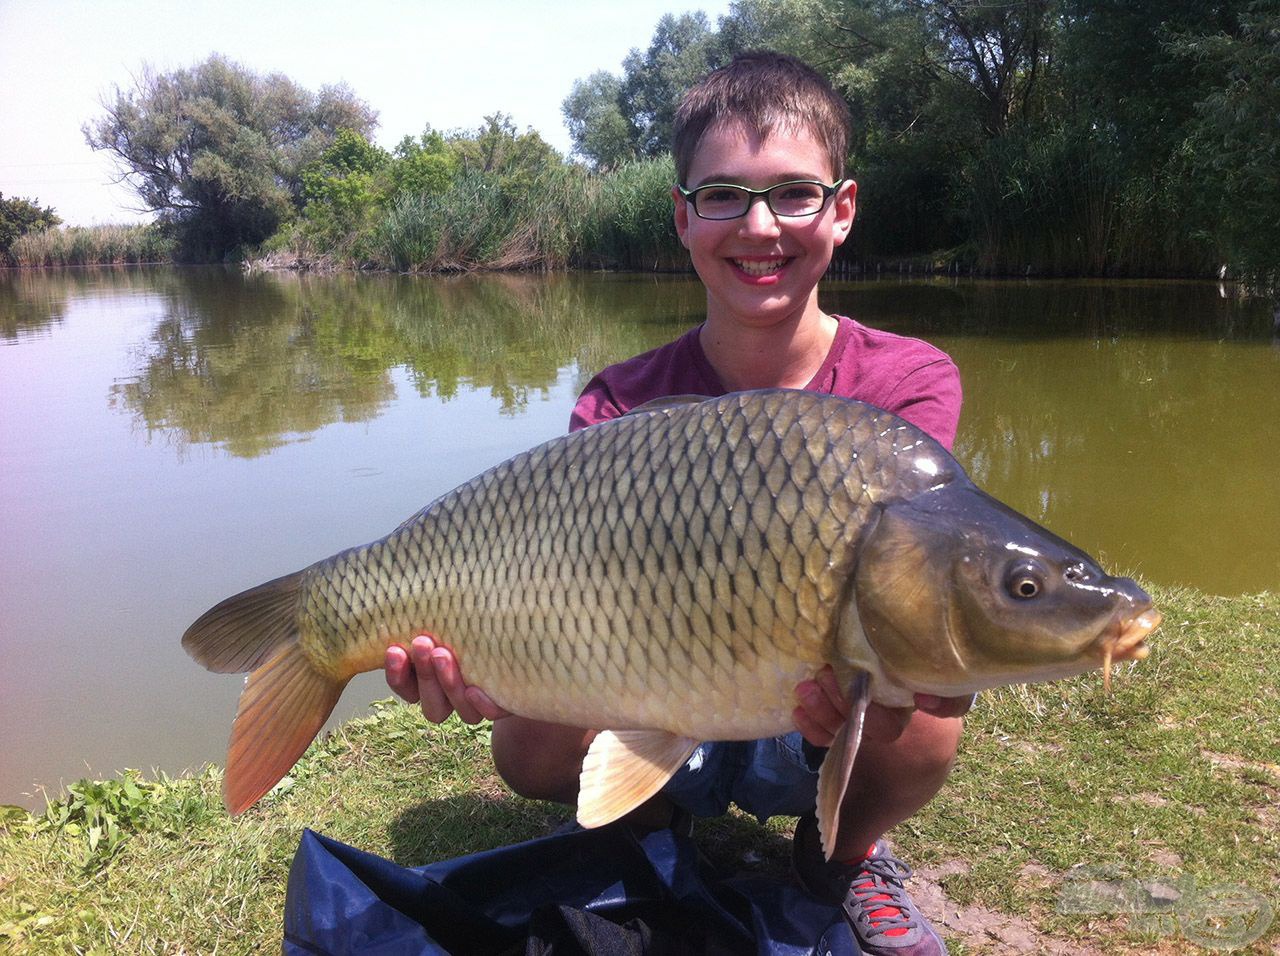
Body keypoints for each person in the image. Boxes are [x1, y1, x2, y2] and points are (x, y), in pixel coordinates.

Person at [385, 51, 970, 956]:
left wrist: (865, 687)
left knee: (930, 692)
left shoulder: (906, 382)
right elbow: (561, 591)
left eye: (794, 194)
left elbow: (927, 559)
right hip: (658, 684)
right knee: (526, 749)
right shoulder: (616, 401)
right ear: (684, 218)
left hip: (821, 708)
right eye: (725, 195)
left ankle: (843, 854)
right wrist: (485, 660)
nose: (761, 225)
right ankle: (644, 821)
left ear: (842, 210)